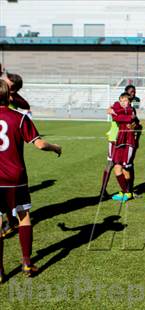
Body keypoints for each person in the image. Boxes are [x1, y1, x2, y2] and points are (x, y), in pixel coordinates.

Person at [0, 80, 61, 281]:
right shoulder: (19, 118)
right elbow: (40, 144)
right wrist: (56, 148)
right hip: (16, 177)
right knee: (23, 217)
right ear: (9, 96)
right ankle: (27, 263)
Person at [110, 92, 139, 202]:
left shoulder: (131, 110)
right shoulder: (119, 108)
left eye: (125, 101)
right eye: (121, 101)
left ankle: (128, 192)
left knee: (126, 167)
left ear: (130, 102)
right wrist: (115, 112)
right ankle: (125, 191)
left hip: (129, 142)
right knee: (117, 168)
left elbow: (125, 118)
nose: (123, 103)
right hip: (119, 141)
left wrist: (116, 113)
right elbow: (116, 116)